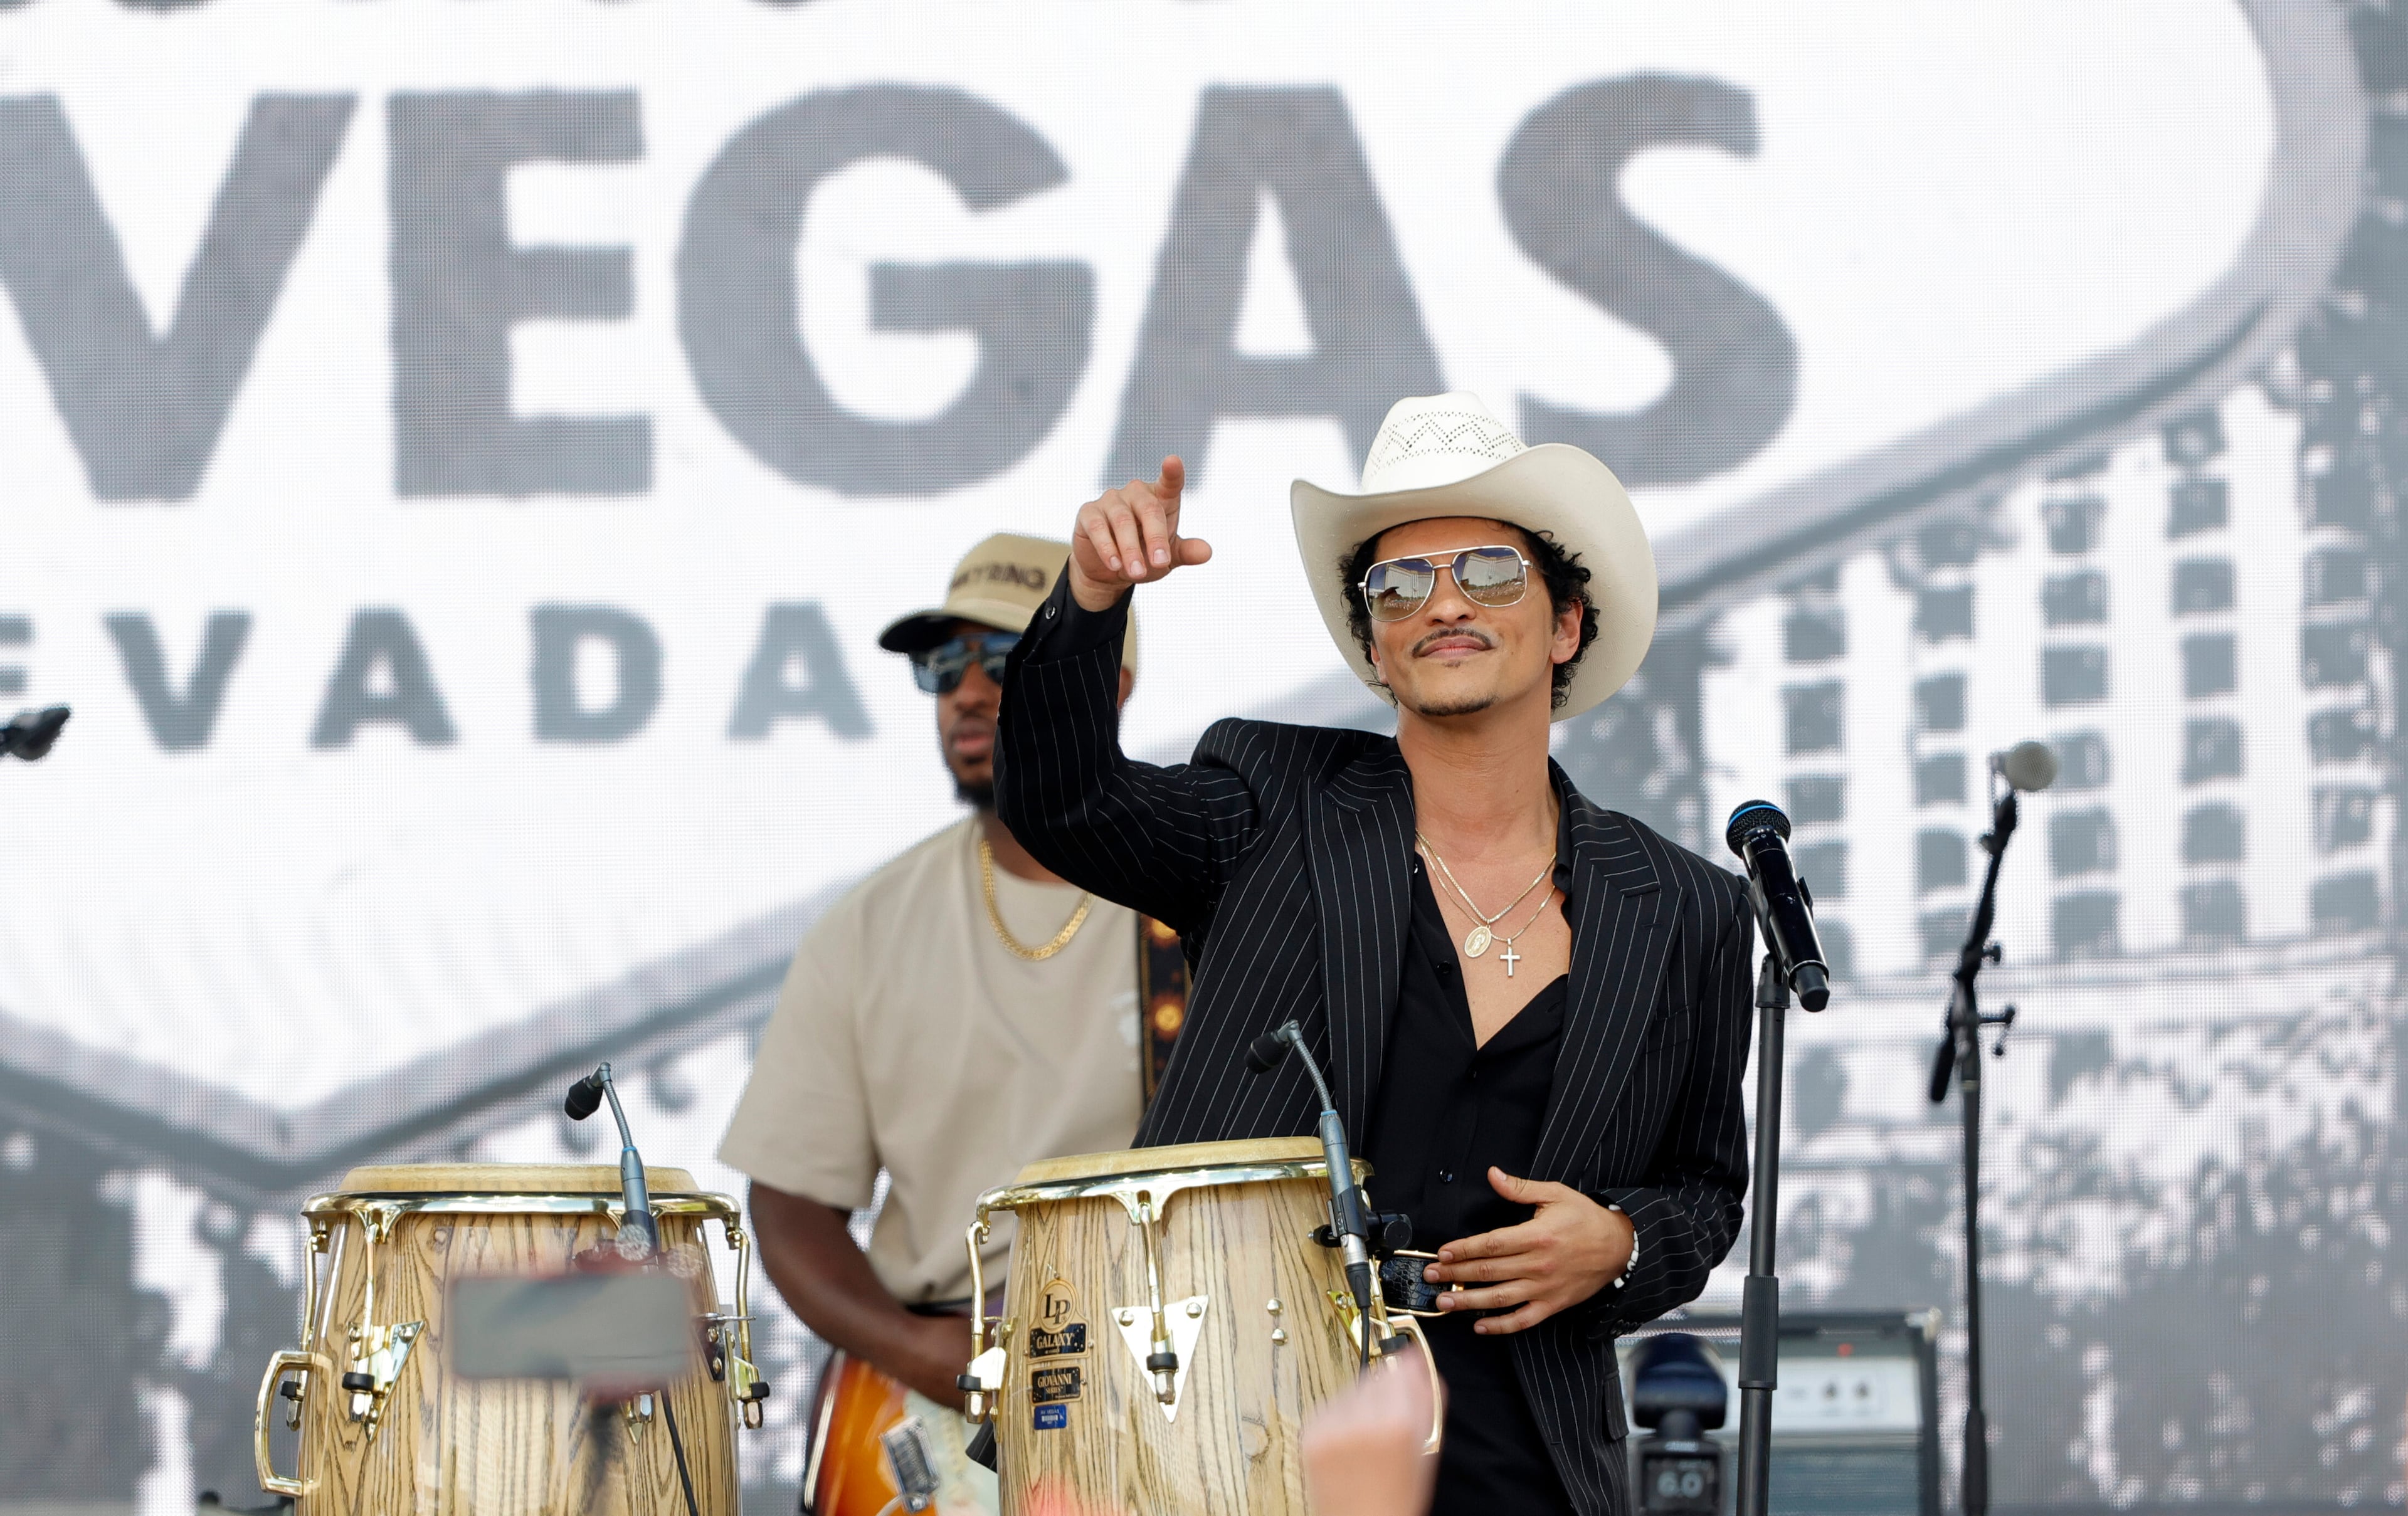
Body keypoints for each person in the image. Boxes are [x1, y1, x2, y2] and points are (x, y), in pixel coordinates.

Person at [995, 394, 1755, 1516]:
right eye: (1399, 586)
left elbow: (1704, 1186)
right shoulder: (1270, 801)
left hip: (1524, 1463)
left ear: (1565, 625)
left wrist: (1625, 1244)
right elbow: (1062, 804)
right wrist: (1093, 597)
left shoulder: (1687, 907)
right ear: (1375, 652)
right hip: (1229, 1443)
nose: (1443, 602)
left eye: (1489, 570)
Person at [717, 534, 1149, 1515]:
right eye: (943, 666)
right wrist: (920, 1351)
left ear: (1110, 683)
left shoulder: (1213, 896)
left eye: (1002, 660)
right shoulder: (870, 925)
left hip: (1171, 1373)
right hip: (932, 1403)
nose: (965, 691)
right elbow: (788, 1204)